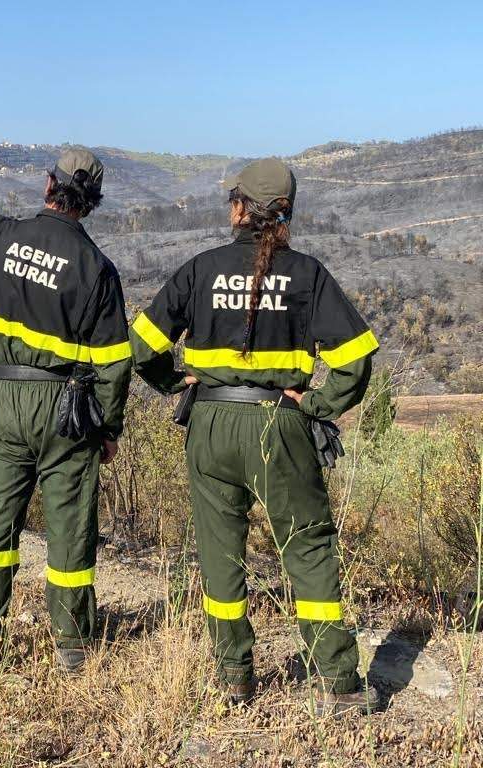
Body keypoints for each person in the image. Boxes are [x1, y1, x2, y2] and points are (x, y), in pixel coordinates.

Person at [130, 158, 381, 715]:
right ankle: (337, 682)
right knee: (309, 548)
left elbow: (142, 347)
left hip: (211, 424)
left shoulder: (200, 269)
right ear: (285, 214)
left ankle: (234, 676)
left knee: (221, 554)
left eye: (230, 200)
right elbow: (356, 361)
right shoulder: (307, 274)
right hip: (279, 424)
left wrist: (179, 384)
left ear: (241, 208)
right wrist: (315, 405)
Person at [0, 138, 131, 676]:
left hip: (4, 399)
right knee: (71, 527)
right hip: (67, 411)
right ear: (92, 202)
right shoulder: (97, 269)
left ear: (49, 185)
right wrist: (108, 427)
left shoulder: (1, 236)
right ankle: (72, 648)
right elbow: (114, 364)